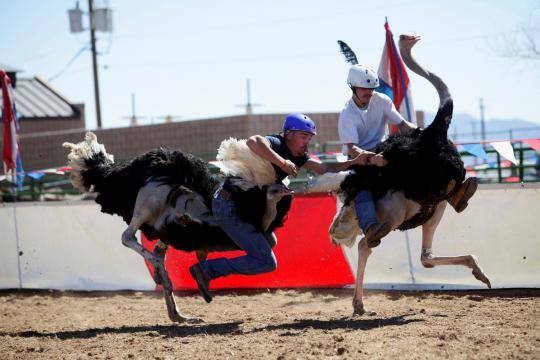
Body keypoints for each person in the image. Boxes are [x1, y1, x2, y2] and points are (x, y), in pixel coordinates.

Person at [190, 113, 371, 302]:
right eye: (304, 137)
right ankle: (206, 269)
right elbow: (254, 141)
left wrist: (353, 162)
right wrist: (283, 163)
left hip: (240, 208)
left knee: (270, 242)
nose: (307, 142)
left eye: (309, 138)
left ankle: (210, 245)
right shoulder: (276, 143)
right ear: (289, 134)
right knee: (266, 262)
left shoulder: (298, 156)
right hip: (228, 207)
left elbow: (324, 168)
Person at [338, 64, 477, 247]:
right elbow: (351, 147)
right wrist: (370, 158)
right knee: (360, 185)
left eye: (371, 88)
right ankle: (371, 228)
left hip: (383, 149)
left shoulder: (382, 100)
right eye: (364, 89)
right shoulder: (347, 114)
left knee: (416, 156)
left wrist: (424, 135)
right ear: (353, 88)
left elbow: (403, 124)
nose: (369, 92)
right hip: (359, 158)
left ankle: (454, 194)